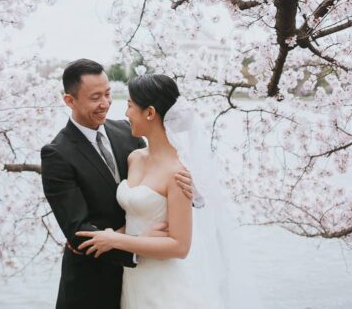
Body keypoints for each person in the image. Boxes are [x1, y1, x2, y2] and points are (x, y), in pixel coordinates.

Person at [74, 73, 264, 309]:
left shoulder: (179, 173)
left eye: (131, 106)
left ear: (150, 113)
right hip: (133, 279)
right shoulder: (134, 158)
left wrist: (115, 239)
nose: (125, 114)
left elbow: (180, 246)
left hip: (163, 284)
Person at [40, 60, 194, 309]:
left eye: (108, 93)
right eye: (95, 97)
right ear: (70, 101)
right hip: (92, 284)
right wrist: (137, 241)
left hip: (149, 278)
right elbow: (80, 233)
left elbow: (157, 189)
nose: (106, 104)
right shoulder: (57, 154)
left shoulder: (127, 134)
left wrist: (189, 186)